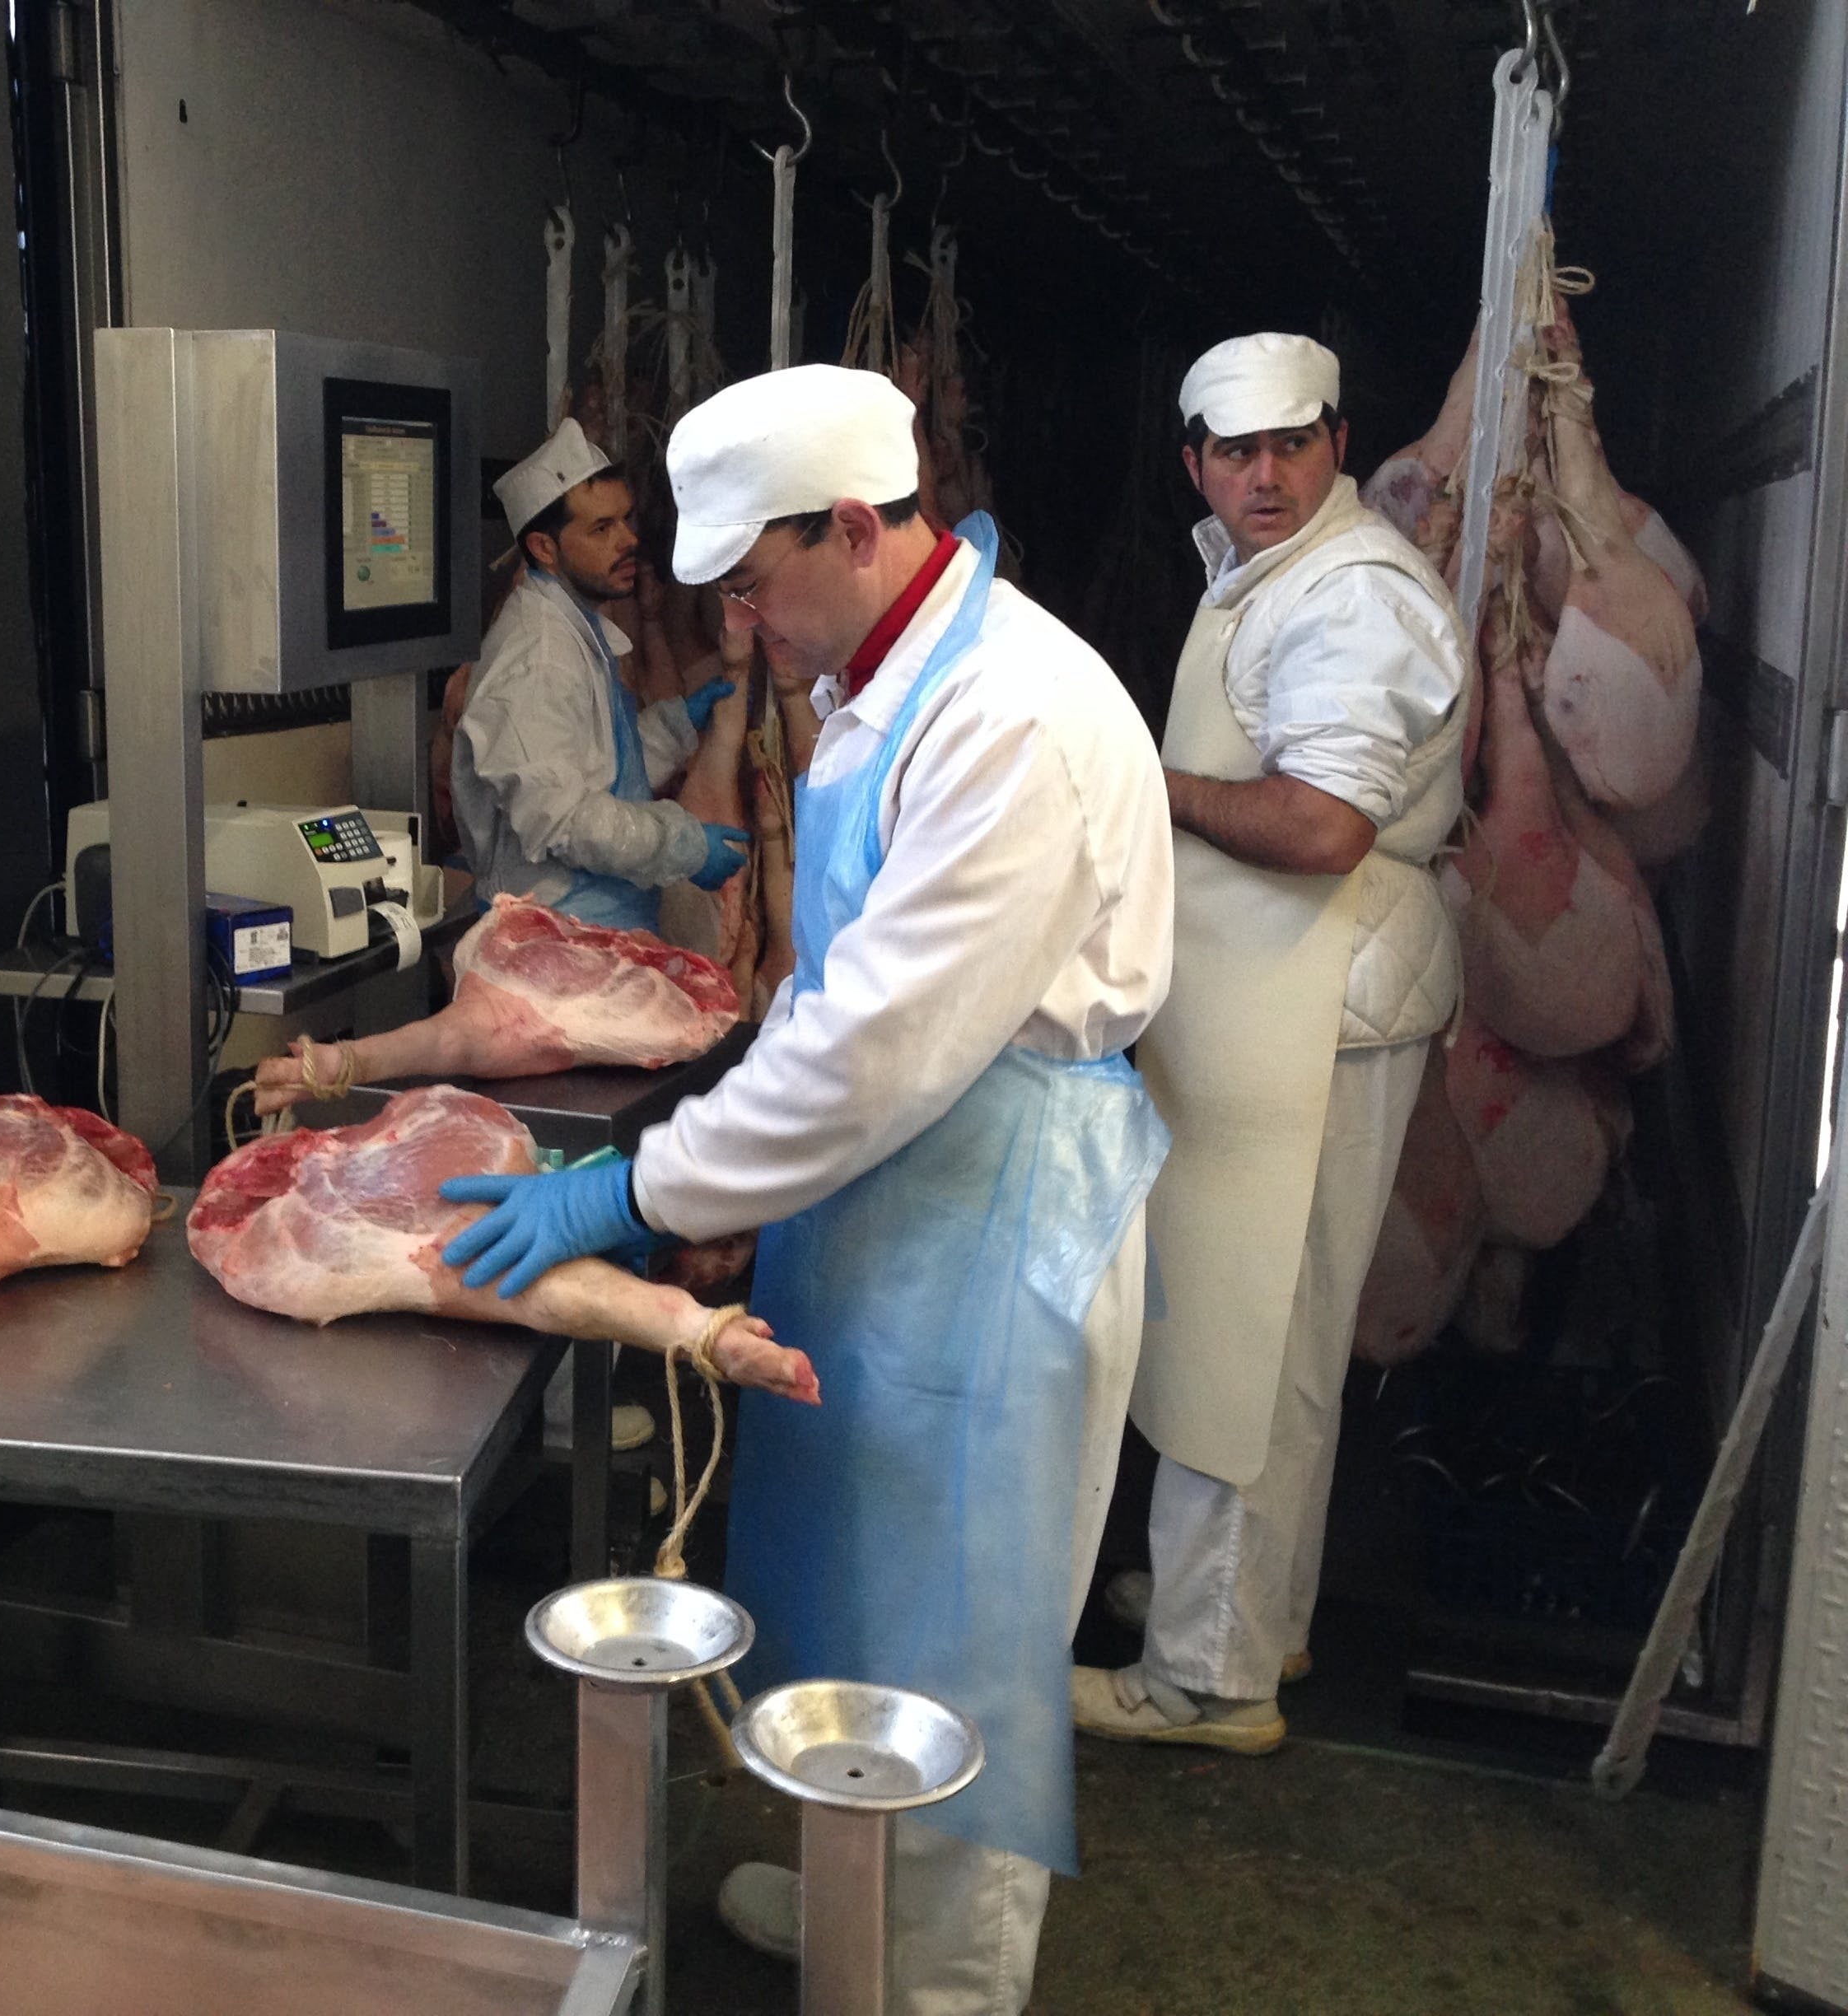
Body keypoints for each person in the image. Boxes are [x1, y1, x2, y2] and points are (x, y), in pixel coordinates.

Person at [437, 365, 1175, 2016]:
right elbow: (834, 1005)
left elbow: (872, 1050)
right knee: (862, 1578)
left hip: (995, 1201)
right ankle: (860, 1881)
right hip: (897, 1193)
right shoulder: (880, 677)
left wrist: (636, 1188)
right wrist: (704, 1172)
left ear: (852, 526)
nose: (742, 628)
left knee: (963, 1621)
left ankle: (940, 1982)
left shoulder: (1009, 717)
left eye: (753, 587)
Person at [1071, 334, 1469, 1755]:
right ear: (1194, 461)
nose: (1264, 475)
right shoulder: (1270, 572)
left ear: (1336, 443)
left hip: (1318, 995)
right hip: (1281, 996)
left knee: (1251, 1335)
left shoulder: (1352, 593)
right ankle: (1251, 1611)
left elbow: (1320, 824)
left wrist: (1144, 782)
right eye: (1235, 451)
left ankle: (1205, 1677)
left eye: (1291, 444)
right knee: (1272, 1329)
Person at [451, 417, 750, 931]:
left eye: (626, 519)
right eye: (601, 529)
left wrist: (672, 727)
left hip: (588, 925)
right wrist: (682, 845)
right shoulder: (538, 657)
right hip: (550, 935)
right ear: (544, 549)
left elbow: (592, 770)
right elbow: (566, 820)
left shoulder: (576, 627)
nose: (629, 539)